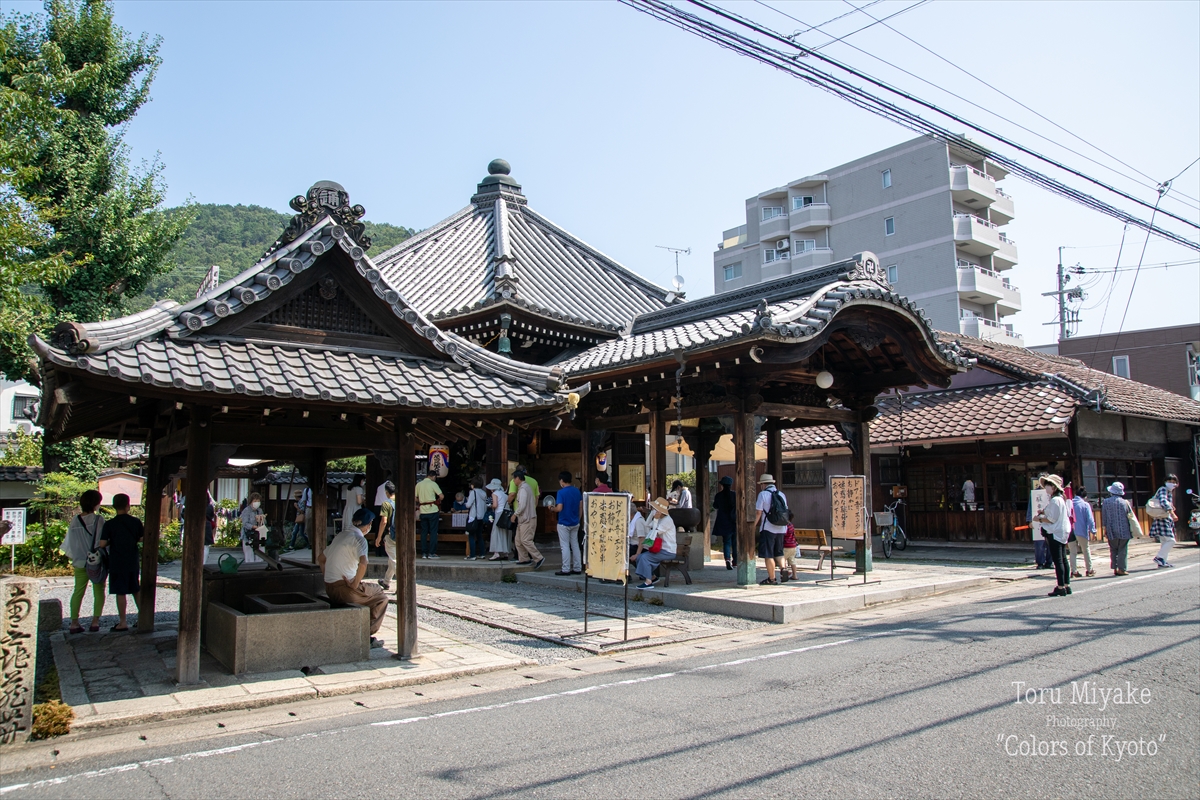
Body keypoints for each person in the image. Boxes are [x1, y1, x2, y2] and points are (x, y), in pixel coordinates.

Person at [320, 507, 387, 642]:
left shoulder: (340, 536)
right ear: (368, 525)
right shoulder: (359, 539)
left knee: (370, 591)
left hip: (329, 588)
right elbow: (363, 563)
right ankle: (365, 636)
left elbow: (320, 559)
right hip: (346, 589)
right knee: (381, 596)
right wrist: (355, 583)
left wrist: (328, 576)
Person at [61, 490, 106, 633]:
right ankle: (95, 622)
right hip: (96, 561)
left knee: (78, 591)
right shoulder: (98, 520)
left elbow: (70, 543)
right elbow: (102, 541)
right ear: (96, 503)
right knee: (98, 590)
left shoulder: (75, 520)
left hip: (80, 561)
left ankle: (74, 622)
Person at [99, 493, 142, 632]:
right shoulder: (135, 522)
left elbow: (102, 543)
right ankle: (143, 617)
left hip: (116, 560)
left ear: (114, 506)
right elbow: (142, 538)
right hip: (132, 558)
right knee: (135, 588)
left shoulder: (110, 524)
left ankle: (123, 621)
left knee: (120, 591)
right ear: (128, 505)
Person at [1034, 474, 1071, 596]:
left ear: (1054, 487)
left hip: (1055, 532)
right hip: (1062, 531)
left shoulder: (1055, 500)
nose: (1046, 488)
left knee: (1058, 560)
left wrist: (1038, 519)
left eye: (1048, 485)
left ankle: (1060, 586)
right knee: (1063, 559)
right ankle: (1066, 584)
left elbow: (1051, 519)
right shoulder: (1059, 499)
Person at [630, 497, 676, 589]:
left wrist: (655, 519)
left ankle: (648, 582)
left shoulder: (667, 520)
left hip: (668, 551)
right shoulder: (660, 518)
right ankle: (652, 578)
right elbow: (647, 525)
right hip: (661, 549)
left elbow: (655, 532)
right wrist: (651, 514)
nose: (654, 510)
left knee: (645, 557)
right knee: (641, 557)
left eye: (655, 508)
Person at [755, 474, 789, 585]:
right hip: (781, 528)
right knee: (779, 552)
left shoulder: (763, 494)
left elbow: (758, 512)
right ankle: (783, 568)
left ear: (763, 484)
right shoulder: (781, 494)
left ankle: (772, 578)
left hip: (768, 528)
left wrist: (753, 526)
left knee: (768, 554)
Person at [512, 470, 544, 569]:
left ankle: (539, 558)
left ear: (518, 478)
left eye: (514, 478)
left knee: (526, 540)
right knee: (518, 540)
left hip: (527, 518)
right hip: (524, 518)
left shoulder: (523, 489)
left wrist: (515, 514)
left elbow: (522, 505)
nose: (513, 481)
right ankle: (524, 558)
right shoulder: (525, 488)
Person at [1100, 482, 1134, 576]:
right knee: (1122, 549)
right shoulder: (1125, 502)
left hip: (1111, 530)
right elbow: (1129, 516)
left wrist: (1105, 529)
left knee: (1113, 549)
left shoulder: (1106, 502)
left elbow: (1104, 517)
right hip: (1124, 530)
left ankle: (1115, 568)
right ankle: (1122, 569)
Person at [553, 471, 583, 575]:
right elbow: (580, 506)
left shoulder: (561, 492)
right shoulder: (577, 491)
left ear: (561, 481)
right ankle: (577, 567)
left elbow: (559, 508)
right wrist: (578, 518)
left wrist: (552, 509)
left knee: (564, 546)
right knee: (575, 545)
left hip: (563, 522)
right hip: (575, 522)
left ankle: (565, 568)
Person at [1151, 474, 1179, 568]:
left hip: (1162, 517)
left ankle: (1162, 562)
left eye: (1173, 482)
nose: (1171, 484)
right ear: (1165, 481)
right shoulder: (1163, 489)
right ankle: (1159, 557)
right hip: (1163, 518)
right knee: (1171, 540)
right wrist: (1172, 513)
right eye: (1169, 481)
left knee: (1164, 541)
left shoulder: (1168, 491)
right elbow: (1163, 501)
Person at [416, 471, 444, 559]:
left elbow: (415, 498)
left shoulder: (418, 484)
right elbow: (442, 496)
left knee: (424, 532)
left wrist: (421, 501)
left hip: (423, 511)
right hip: (432, 510)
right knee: (433, 532)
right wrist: (437, 501)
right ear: (433, 476)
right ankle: (432, 553)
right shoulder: (433, 484)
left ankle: (424, 553)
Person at [374, 482, 397, 590]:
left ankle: (403, 583)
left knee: (393, 560)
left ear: (387, 492)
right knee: (392, 560)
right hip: (402, 534)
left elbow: (384, 521)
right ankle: (386, 581)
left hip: (390, 534)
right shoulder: (401, 502)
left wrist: (378, 537)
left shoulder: (386, 504)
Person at [711, 475, 737, 570]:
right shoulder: (734, 495)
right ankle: (735, 561)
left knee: (726, 542)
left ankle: (727, 559)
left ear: (722, 485)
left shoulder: (718, 495)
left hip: (723, 521)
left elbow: (715, 506)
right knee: (735, 542)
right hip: (734, 521)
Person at [1069, 487, 1096, 578]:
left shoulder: (1070, 503)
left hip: (1070, 530)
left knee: (1072, 552)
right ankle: (1089, 569)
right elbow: (1090, 519)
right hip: (1081, 530)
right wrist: (1093, 530)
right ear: (1084, 497)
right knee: (1086, 549)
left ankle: (1074, 571)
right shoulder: (1085, 505)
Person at [486, 478, 512, 561]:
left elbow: (495, 505)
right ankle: (505, 553)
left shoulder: (495, 494)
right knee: (504, 533)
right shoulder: (504, 494)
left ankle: (496, 553)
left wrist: (489, 506)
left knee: (496, 532)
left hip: (498, 514)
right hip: (505, 514)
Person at [464, 478, 490, 561]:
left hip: (473, 516)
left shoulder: (473, 492)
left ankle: (472, 555)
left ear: (473, 485)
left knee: (471, 535)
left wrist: (466, 502)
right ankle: (482, 553)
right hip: (481, 517)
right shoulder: (483, 493)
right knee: (479, 535)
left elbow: (468, 505)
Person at [239, 492, 265, 564]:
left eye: (258, 501)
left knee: (260, 553)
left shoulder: (259, 510)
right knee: (249, 555)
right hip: (248, 535)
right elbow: (245, 523)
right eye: (255, 501)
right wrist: (253, 526)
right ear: (251, 501)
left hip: (259, 534)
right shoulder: (246, 510)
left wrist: (261, 520)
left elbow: (264, 522)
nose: (257, 503)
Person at [782, 510, 798, 581]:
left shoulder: (785, 526)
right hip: (793, 546)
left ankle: (786, 573)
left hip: (786, 546)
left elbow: (783, 534)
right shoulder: (791, 525)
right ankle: (795, 575)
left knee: (782, 560)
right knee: (792, 561)